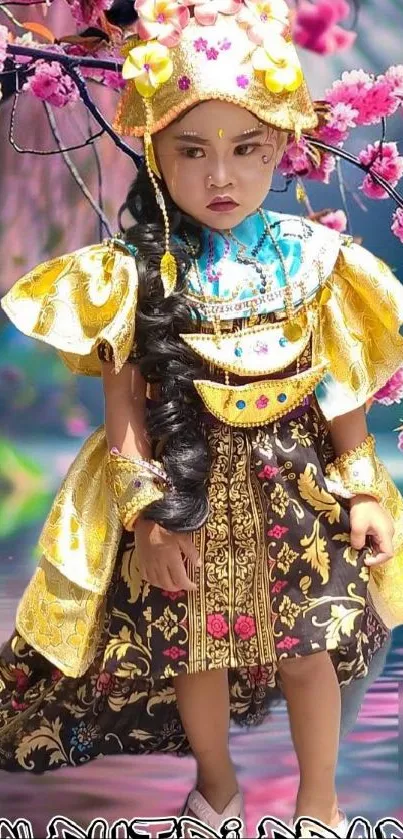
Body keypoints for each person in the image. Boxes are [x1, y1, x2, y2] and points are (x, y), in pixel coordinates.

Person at [1, 2, 403, 836]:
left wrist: (361, 488)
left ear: (278, 150)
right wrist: (148, 516)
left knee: (308, 647)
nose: (220, 176)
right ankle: (215, 786)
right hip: (186, 493)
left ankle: (318, 801)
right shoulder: (129, 274)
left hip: (295, 490)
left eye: (245, 150)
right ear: (155, 153)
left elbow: (339, 394)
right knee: (195, 651)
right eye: (193, 152)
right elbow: (125, 416)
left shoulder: (315, 261)